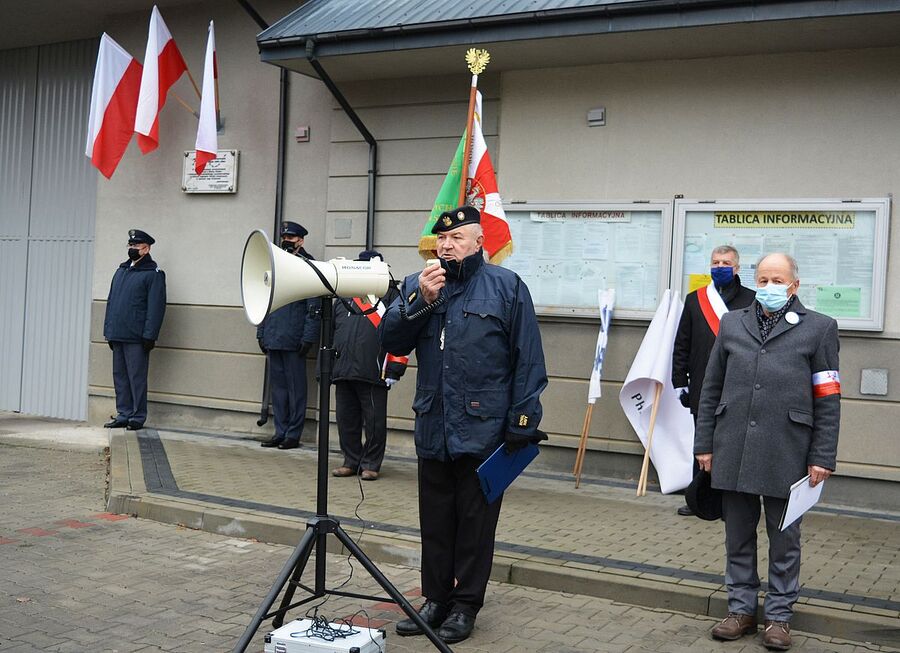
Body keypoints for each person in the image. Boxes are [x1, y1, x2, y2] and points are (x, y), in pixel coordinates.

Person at [380, 206, 548, 644]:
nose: (446, 245)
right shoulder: (420, 285)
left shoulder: (505, 286)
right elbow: (391, 341)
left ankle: (466, 603)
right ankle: (435, 599)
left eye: (456, 239)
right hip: (435, 424)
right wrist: (420, 301)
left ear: (479, 242)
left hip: (484, 427)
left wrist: (523, 420)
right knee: (435, 520)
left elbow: (527, 358)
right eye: (442, 239)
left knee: (474, 524)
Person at [694, 253, 840, 651]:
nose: (769, 286)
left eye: (778, 279)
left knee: (784, 540)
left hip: (788, 450)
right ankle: (740, 610)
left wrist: (823, 455)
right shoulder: (732, 323)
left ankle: (778, 618)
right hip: (734, 446)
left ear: (794, 285)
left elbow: (828, 397)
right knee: (738, 536)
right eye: (763, 278)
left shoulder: (820, 329)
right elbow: (710, 388)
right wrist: (704, 443)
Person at [672, 245, 755, 516]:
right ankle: (698, 499)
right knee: (702, 440)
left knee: (734, 442)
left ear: (737, 267)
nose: (720, 267)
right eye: (715, 262)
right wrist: (679, 381)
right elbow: (682, 343)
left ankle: (732, 500)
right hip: (701, 384)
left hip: (739, 386)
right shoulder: (696, 299)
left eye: (726, 262)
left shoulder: (752, 300)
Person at [330, 250, 408, 481]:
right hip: (344, 369)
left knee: (374, 422)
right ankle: (351, 461)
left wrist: (395, 367)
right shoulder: (344, 298)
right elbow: (331, 335)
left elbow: (402, 335)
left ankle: (371, 463)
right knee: (346, 420)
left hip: (374, 370)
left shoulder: (392, 296)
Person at [257, 221, 321, 450]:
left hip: (294, 339)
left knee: (296, 390)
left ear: (301, 241)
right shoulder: (275, 264)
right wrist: (261, 333)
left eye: (292, 238)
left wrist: (308, 338)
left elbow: (314, 307)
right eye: (285, 237)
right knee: (279, 390)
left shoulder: (308, 265)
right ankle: (280, 431)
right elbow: (264, 300)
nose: (287, 241)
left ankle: (293, 434)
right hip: (274, 336)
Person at [103, 229, 167, 430]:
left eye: (136, 246)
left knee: (136, 378)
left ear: (146, 249)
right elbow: (112, 302)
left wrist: (150, 336)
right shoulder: (121, 271)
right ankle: (124, 413)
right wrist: (109, 331)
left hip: (137, 337)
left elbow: (156, 307)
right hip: (118, 334)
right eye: (130, 246)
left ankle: (137, 417)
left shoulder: (153, 275)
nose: (132, 249)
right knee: (120, 376)